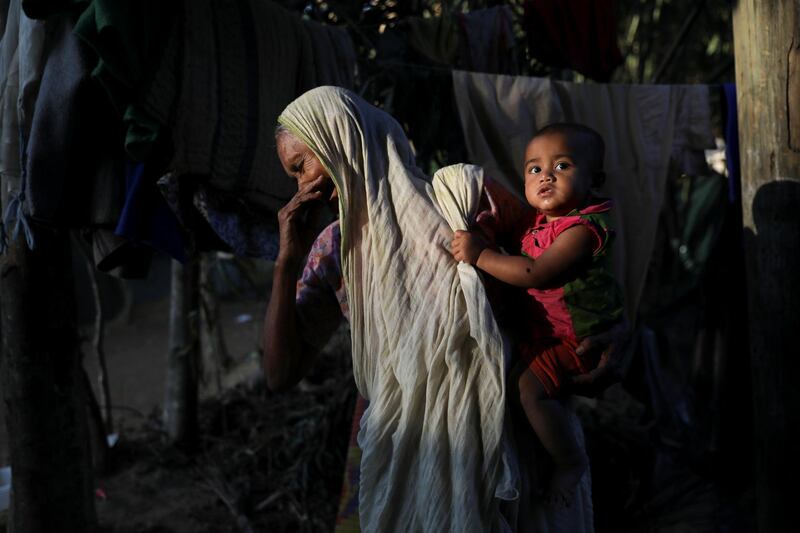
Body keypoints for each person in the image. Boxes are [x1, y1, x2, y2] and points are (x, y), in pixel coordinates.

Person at [264, 87, 622, 531]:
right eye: (294, 177)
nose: (303, 187)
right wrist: (286, 263)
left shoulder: (466, 198)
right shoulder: (335, 252)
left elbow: (560, 259)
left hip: (512, 436)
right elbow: (281, 373)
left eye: (302, 166)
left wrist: (612, 328)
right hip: (411, 448)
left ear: (341, 140)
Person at [451, 123, 624, 505]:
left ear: (594, 180)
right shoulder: (539, 224)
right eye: (534, 169)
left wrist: (480, 255)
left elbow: (536, 273)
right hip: (550, 334)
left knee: (527, 392)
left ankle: (570, 461)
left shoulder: (582, 230)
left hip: (577, 339)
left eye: (562, 166)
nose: (545, 175)